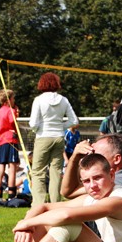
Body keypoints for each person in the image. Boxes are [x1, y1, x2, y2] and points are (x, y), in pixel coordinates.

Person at [29, 72, 78, 206]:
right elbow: (74, 120)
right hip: (59, 137)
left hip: (43, 137)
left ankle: (38, 204)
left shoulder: (39, 100)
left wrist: (37, 129)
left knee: (38, 171)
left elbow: (33, 123)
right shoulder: (64, 100)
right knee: (56, 171)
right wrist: (61, 127)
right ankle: (55, 204)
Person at [0, 89, 20, 203]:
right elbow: (13, 122)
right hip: (10, 140)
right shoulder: (10, 110)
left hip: (0, 141)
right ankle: (11, 195)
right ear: (8, 100)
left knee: (0, 168)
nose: (14, 100)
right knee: (12, 167)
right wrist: (16, 113)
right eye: (13, 98)